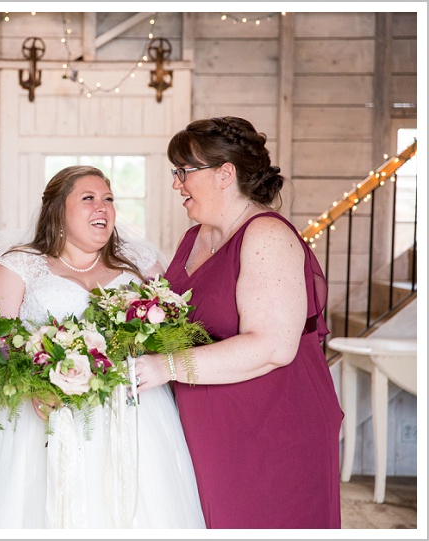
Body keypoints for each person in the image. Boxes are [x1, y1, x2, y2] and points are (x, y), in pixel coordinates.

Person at [134, 116, 343, 528]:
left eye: (184, 172)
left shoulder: (265, 235)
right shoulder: (195, 237)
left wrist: (165, 367)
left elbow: (272, 346)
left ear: (224, 174)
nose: (177, 183)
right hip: (210, 422)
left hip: (271, 424)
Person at [0, 165, 205, 529]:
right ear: (57, 209)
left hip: (136, 411)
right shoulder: (20, 266)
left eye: (108, 199)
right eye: (88, 199)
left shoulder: (140, 265)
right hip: (45, 416)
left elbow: (171, 325)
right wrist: (33, 386)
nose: (102, 207)